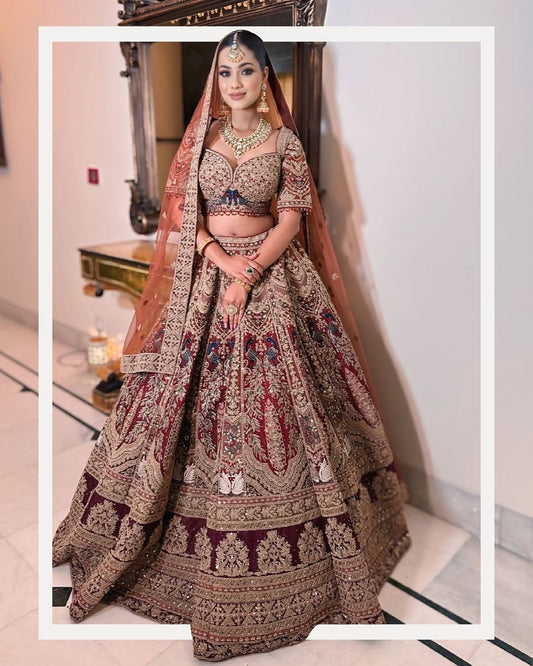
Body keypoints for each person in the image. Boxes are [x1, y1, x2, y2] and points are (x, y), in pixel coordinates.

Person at [53, 30, 411, 662]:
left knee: (289, 403)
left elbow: (293, 217)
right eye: (225, 72)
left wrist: (249, 274)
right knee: (178, 404)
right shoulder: (200, 141)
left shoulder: (284, 142)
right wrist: (222, 264)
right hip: (209, 278)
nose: (235, 82)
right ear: (214, 80)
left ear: (264, 78)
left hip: (273, 277)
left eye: (247, 70)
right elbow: (182, 218)